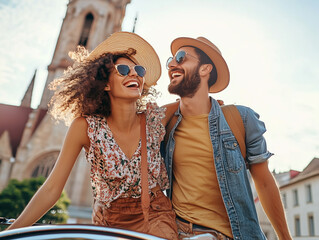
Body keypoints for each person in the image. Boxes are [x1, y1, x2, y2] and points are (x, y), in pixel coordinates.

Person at [6, 32, 178, 240]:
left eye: (139, 70)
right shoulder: (86, 127)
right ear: (105, 84)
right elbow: (51, 189)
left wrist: (218, 109)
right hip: (110, 223)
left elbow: (196, 106)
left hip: (157, 218)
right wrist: (8, 234)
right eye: (123, 70)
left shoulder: (155, 119)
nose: (134, 74)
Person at [162, 36, 292, 239]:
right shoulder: (164, 125)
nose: (172, 64)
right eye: (170, 60)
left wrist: (285, 238)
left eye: (180, 57)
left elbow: (265, 183)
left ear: (205, 69)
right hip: (181, 233)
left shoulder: (241, 119)